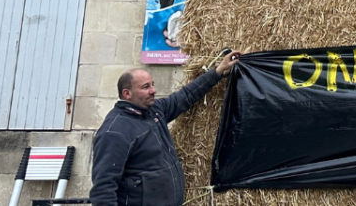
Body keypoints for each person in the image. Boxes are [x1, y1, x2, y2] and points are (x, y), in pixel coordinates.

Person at [89, 50, 242, 206]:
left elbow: (185, 96)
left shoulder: (153, 110)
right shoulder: (115, 132)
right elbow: (103, 191)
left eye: (153, 85)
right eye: (146, 87)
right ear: (127, 94)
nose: (153, 90)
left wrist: (218, 72)